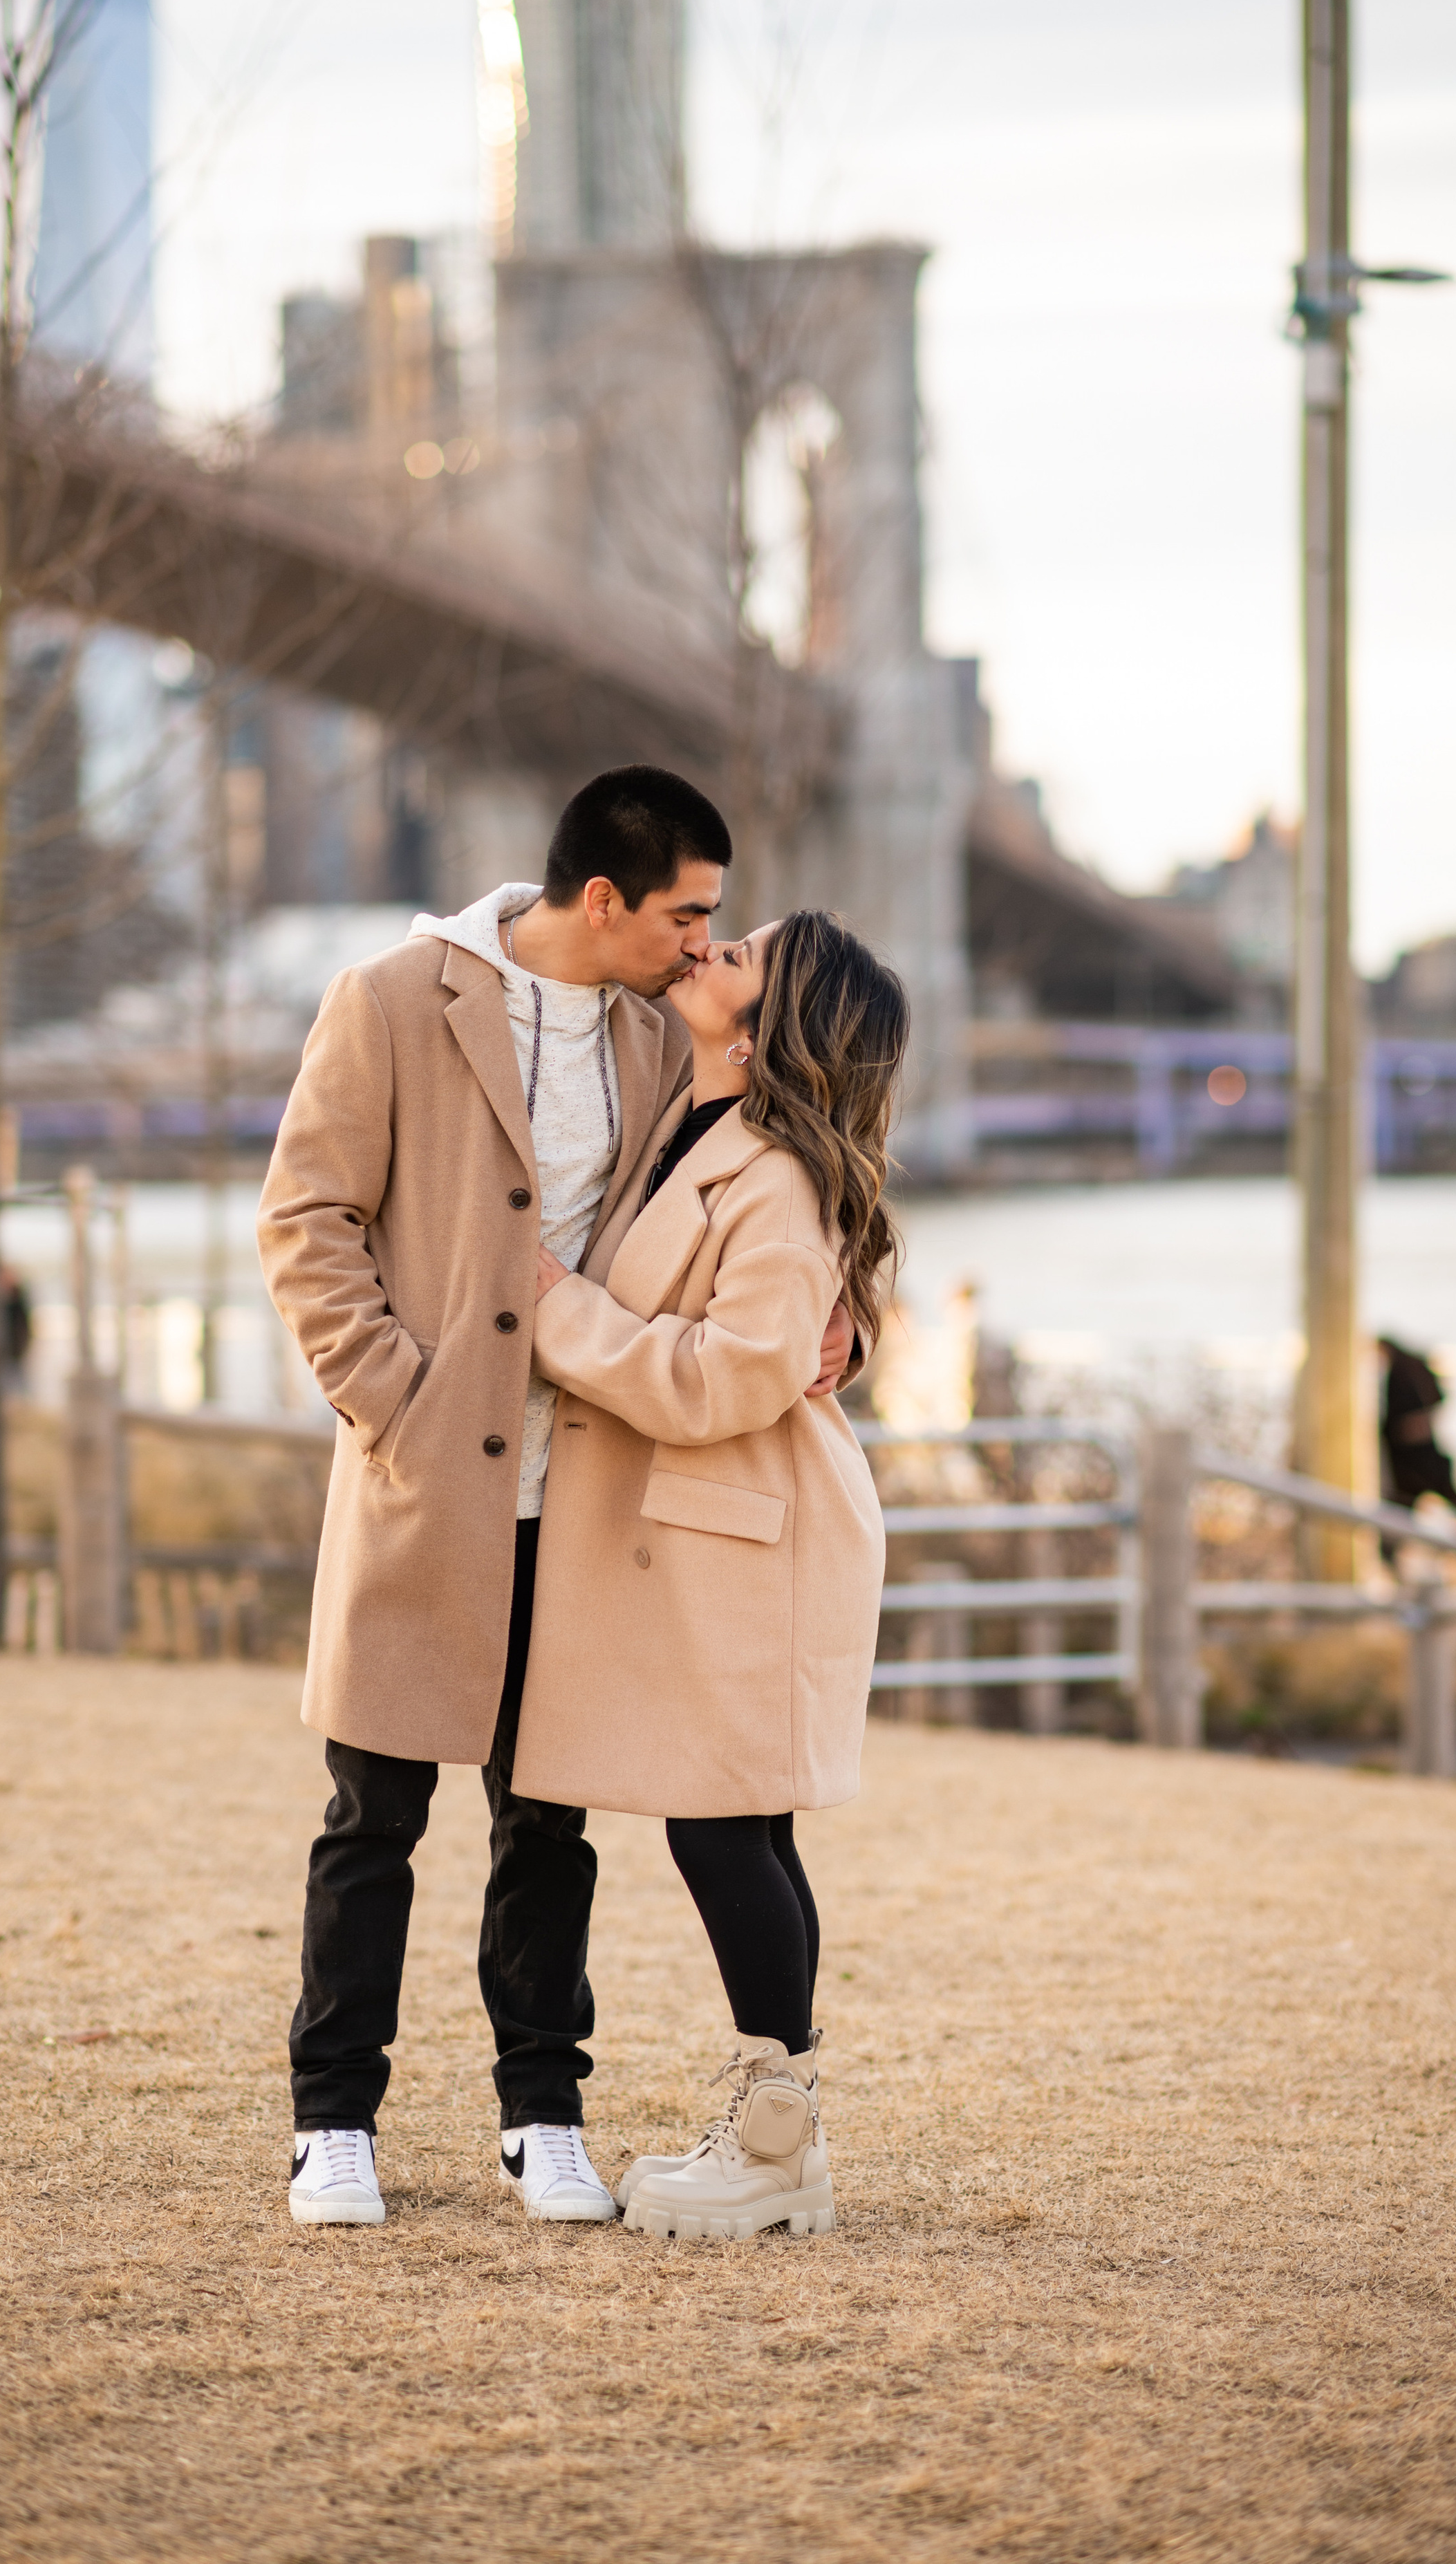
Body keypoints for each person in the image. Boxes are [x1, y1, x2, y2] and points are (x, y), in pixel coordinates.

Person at [257, 768, 859, 2229]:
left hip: (587, 1501)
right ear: (606, 901)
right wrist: (395, 1398)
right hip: (424, 1481)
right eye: (687, 913)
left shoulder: (663, 1032)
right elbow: (304, 1219)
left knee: (548, 1824)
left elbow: (772, 1189)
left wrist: (847, 1325)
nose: (703, 944)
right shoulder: (396, 998)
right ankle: (332, 2120)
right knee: (371, 1812)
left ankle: (542, 2114)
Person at [516, 908, 908, 2240]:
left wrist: (558, 1311)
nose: (705, 950)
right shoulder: (682, 1114)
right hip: (718, 1528)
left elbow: (739, 1370)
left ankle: (776, 2139)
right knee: (734, 1820)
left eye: (736, 952)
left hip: (755, 1533)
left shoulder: (776, 1178)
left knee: (726, 1820)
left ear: (769, 1020)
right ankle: (773, 2125)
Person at [1376, 1337, 1456, 1561]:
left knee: (1402, 1509)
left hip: (1414, 1458)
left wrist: (1416, 1424)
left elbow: (1436, 1400)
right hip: (1410, 1456)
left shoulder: (1405, 1370)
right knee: (1402, 1512)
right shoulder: (1405, 1368)